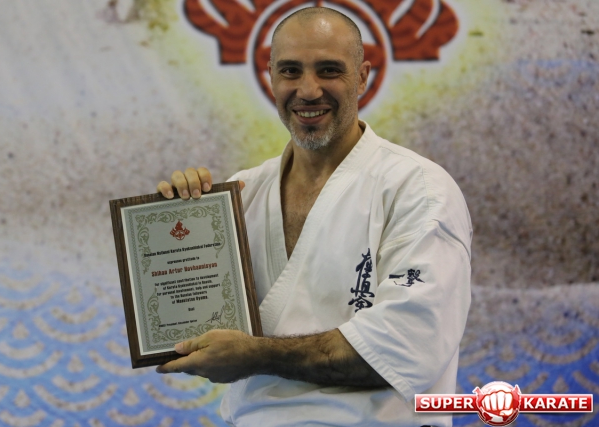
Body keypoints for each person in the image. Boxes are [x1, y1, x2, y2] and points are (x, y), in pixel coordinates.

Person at [156, 7, 471, 427]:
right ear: (270, 78)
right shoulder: (241, 196)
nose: (307, 90)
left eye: (329, 70)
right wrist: (178, 219)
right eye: (290, 71)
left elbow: (409, 347)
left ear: (362, 77)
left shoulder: (417, 188)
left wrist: (254, 355)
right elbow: (189, 328)